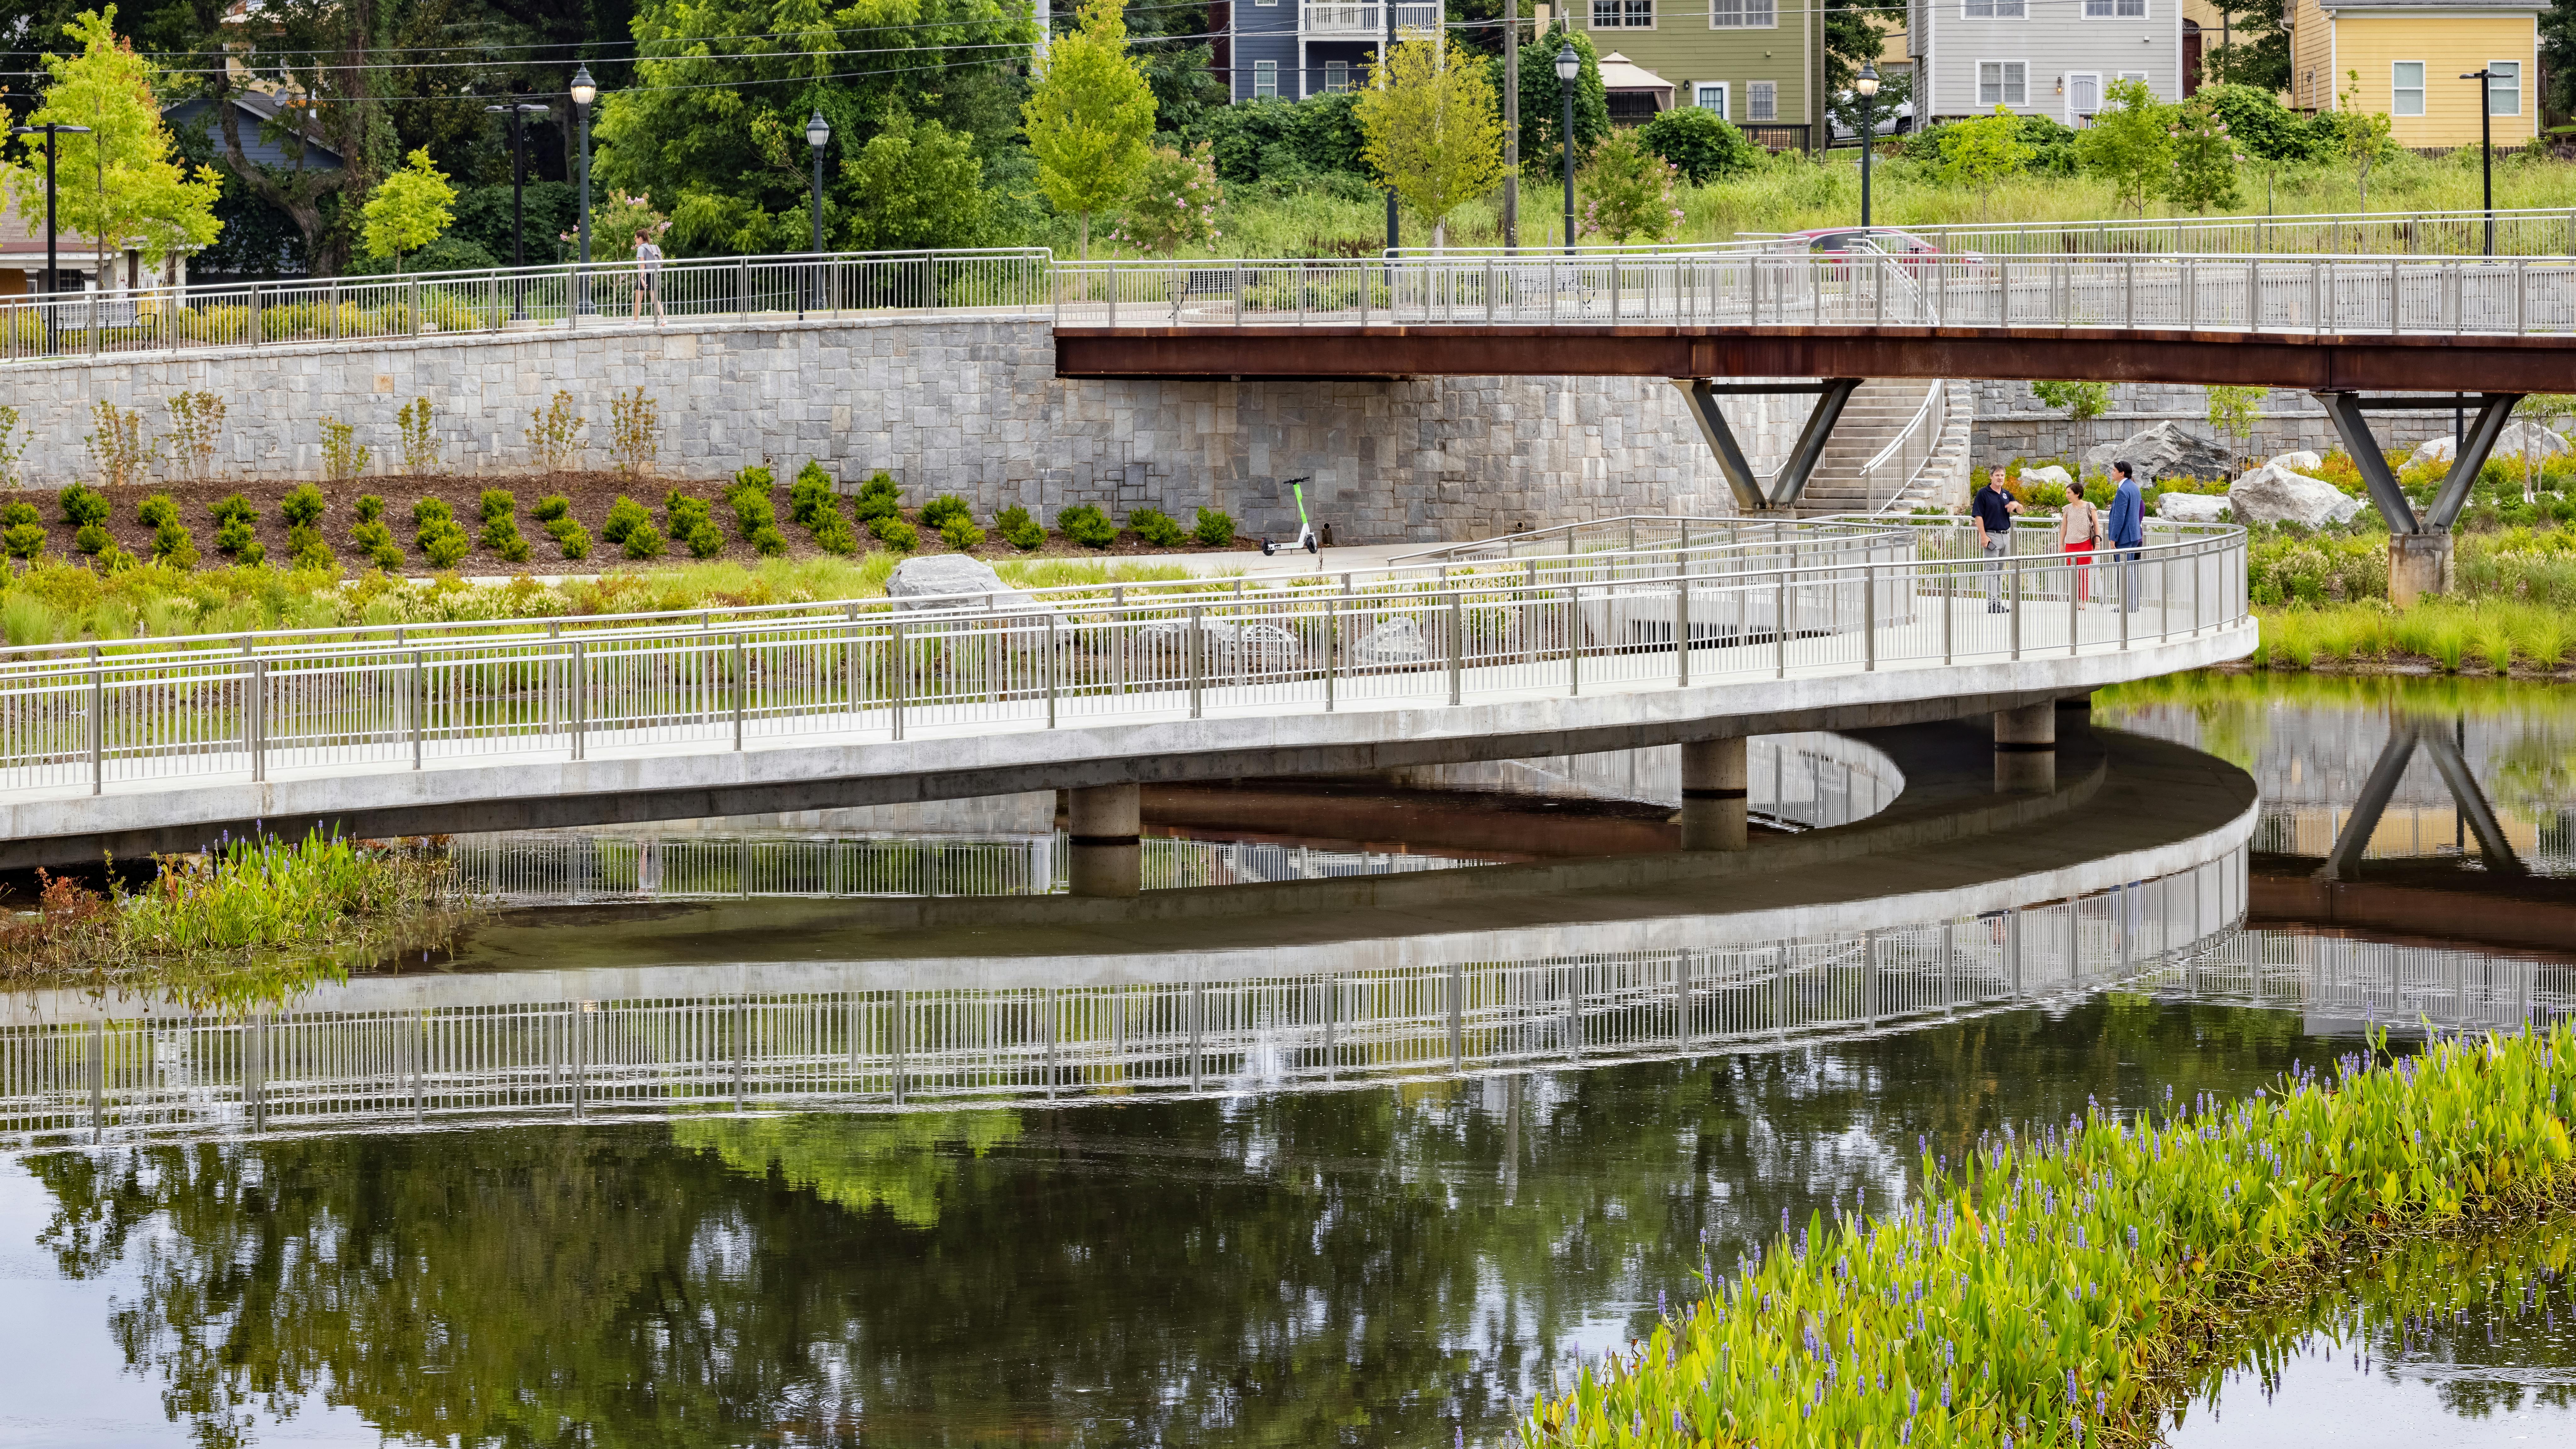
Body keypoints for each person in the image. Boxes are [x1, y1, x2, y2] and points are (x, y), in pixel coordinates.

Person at [1971, 467, 2024, 613]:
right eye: (1997, 475)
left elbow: (2021, 511)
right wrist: (1983, 536)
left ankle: (1998, 603)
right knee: (1991, 571)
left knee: (1999, 572)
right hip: (1991, 536)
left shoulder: (2007, 494)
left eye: (2002, 475)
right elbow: (1978, 516)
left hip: (2005, 536)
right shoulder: (1983, 493)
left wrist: (2017, 506)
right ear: (1991, 477)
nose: (2000, 478)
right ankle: (1992, 605)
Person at [2105, 459, 2146, 613]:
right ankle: (2133, 604)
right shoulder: (2134, 487)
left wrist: (2113, 537)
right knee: (2131, 571)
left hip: (2124, 538)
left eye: (2114, 471)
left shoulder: (2123, 490)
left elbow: (2119, 517)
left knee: (2124, 572)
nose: (2112, 473)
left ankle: (2127, 605)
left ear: (2122, 473)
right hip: (2134, 535)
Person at [2059, 478, 2103, 604]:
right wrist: (2061, 544)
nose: (2067, 496)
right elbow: (2064, 527)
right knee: (2073, 574)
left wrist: (2098, 543)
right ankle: (2075, 600)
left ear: (2077, 494)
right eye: (2067, 493)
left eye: (2069, 493)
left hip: (2085, 543)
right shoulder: (2067, 509)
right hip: (2070, 545)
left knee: (2084, 574)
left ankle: (2083, 601)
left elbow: (2096, 525)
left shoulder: (2089, 506)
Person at [631, 232, 667, 323]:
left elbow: (642, 264)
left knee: (638, 299)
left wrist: (642, 278)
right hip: (653, 273)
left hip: (644, 274)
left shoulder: (641, 249)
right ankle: (663, 319)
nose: (635, 240)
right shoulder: (652, 248)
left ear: (640, 238)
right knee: (655, 298)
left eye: (636, 238)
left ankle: (635, 322)